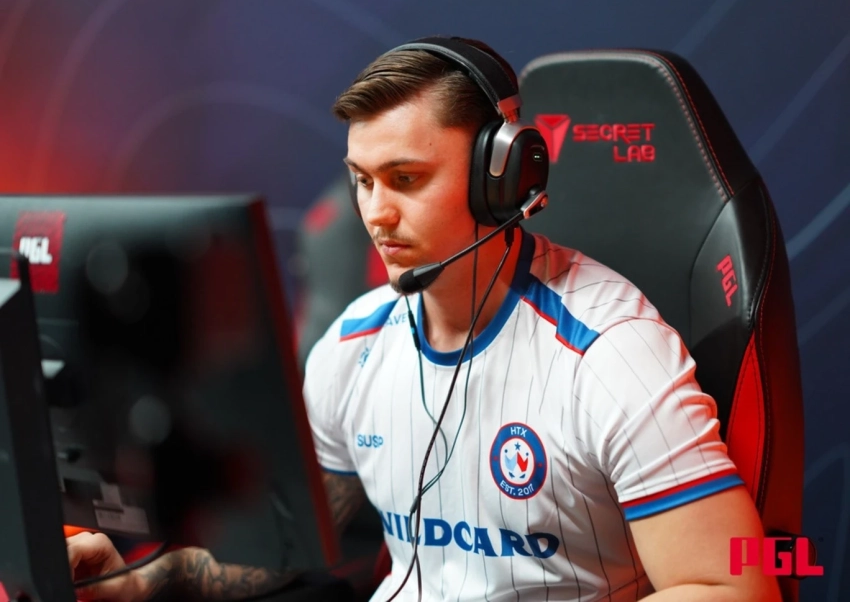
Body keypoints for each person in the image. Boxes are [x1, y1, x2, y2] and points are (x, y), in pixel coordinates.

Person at [67, 36, 781, 601]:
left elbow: (732, 587)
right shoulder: (354, 344)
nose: (376, 213)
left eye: (405, 179)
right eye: (362, 181)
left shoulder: (612, 354)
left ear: (501, 177)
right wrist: (138, 582)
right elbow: (290, 546)